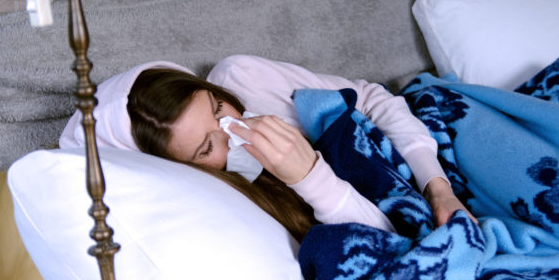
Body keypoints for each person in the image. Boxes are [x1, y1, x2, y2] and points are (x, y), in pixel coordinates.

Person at [124, 55, 474, 240]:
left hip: (435, 139)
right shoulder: (231, 206)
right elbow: (389, 239)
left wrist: (438, 187)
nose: (231, 130)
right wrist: (309, 178)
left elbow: (368, 97)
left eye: (218, 108)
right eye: (206, 148)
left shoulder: (242, 79)